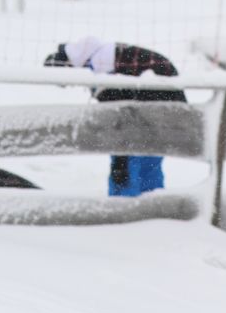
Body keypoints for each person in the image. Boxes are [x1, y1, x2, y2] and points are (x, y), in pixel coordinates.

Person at [44, 37, 187, 196]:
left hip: (151, 110)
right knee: (148, 160)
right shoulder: (106, 56)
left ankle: (124, 211)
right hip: (166, 107)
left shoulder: (105, 73)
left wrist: (120, 163)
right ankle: (152, 208)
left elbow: (120, 123)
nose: (70, 85)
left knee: (127, 166)